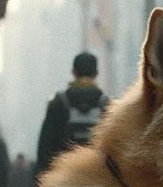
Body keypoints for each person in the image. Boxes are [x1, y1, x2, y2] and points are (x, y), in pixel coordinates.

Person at [35, 51, 109, 180]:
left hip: (64, 179)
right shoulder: (107, 104)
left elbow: (45, 147)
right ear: (96, 73)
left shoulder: (58, 102)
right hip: (97, 181)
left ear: (73, 72)